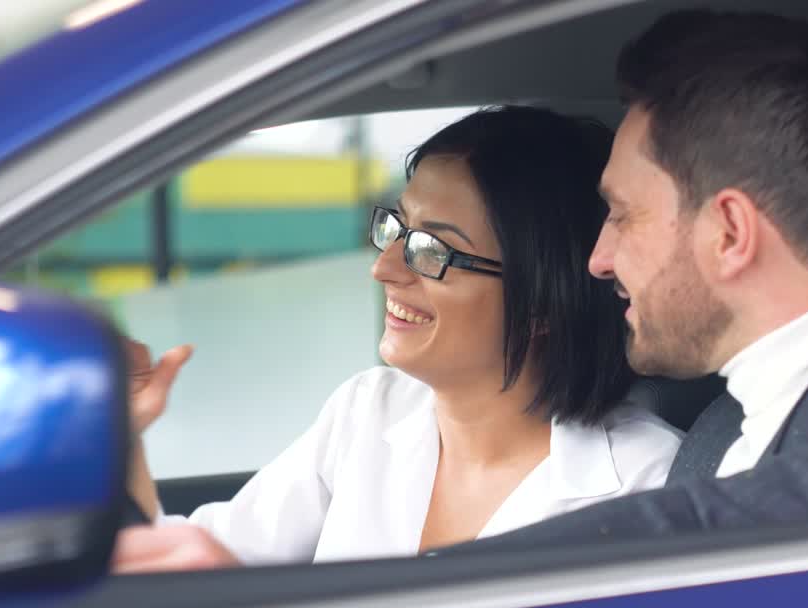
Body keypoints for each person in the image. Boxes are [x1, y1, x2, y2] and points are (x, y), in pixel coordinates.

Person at [114, 9, 808, 570]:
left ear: (727, 231)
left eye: (622, 217)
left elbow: (772, 534)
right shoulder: (722, 430)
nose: (596, 260)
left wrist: (394, 602)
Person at [113, 105, 682, 571]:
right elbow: (195, 566)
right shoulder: (369, 411)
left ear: (542, 302)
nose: (384, 268)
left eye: (432, 250)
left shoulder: (647, 484)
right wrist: (125, 431)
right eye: (397, 227)